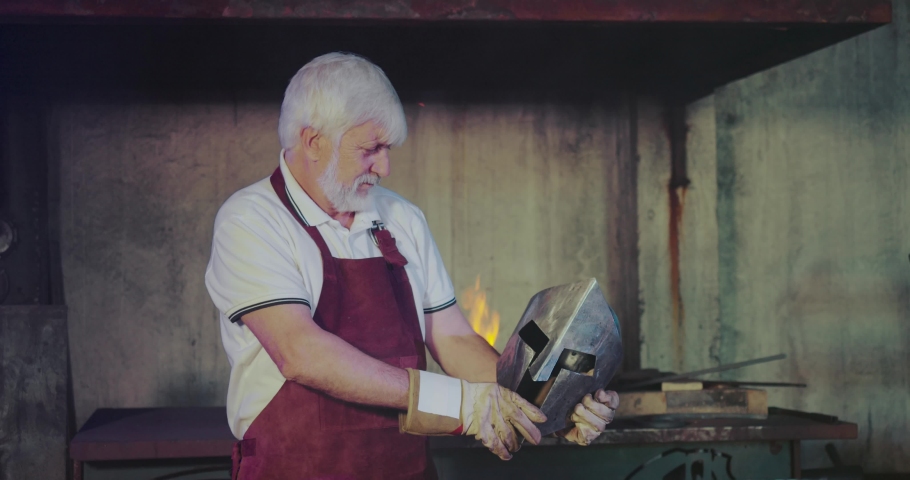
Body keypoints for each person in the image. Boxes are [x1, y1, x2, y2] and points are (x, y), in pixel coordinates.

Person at [205, 52, 620, 480]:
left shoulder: (401, 218)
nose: (384, 168)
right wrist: (461, 403)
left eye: (388, 149)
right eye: (371, 149)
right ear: (313, 142)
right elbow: (301, 352)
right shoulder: (252, 220)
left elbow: (452, 336)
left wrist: (548, 402)